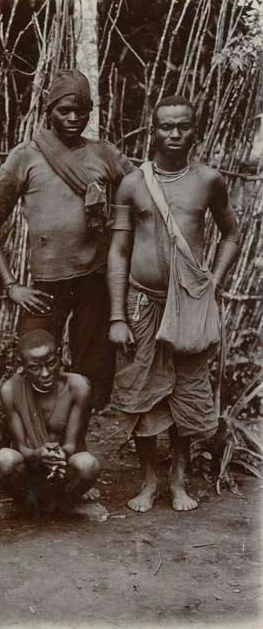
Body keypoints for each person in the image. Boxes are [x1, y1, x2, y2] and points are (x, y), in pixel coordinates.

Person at [107, 95, 240, 513]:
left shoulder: (208, 180)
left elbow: (230, 234)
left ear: (194, 131)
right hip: (142, 304)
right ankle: (149, 480)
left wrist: (212, 282)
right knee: (140, 390)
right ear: (154, 130)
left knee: (186, 389)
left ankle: (178, 479)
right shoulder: (132, 184)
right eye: (166, 126)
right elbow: (119, 251)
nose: (175, 134)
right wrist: (117, 315)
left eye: (183, 126)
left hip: (189, 304)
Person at [0, 69, 136, 407]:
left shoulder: (104, 154)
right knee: (33, 364)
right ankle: (29, 446)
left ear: (90, 112)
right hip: (44, 288)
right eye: (64, 110)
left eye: (81, 110)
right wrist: (11, 285)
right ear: (48, 111)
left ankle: (74, 444)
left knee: (92, 374)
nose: (73, 118)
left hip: (94, 282)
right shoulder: (26, 156)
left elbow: (142, 193)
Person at [0, 329, 100, 515]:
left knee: (88, 464)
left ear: (59, 356)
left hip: (63, 466)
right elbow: (21, 447)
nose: (45, 373)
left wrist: (59, 453)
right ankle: (25, 502)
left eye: (51, 364)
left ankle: (64, 503)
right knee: (4, 458)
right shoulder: (10, 390)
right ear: (22, 366)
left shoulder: (77, 386)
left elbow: (71, 444)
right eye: (35, 367)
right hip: (29, 467)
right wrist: (38, 454)